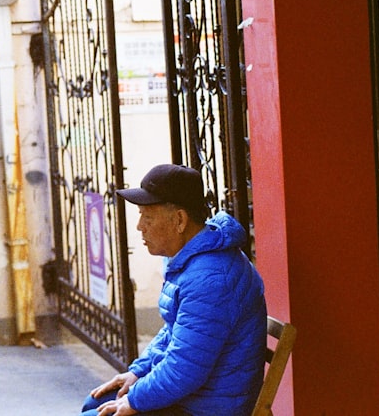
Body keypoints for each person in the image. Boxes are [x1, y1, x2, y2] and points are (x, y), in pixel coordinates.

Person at [81, 164, 267, 416]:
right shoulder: (195, 259)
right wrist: (138, 371)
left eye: (147, 217)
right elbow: (174, 334)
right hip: (195, 395)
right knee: (95, 402)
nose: (139, 227)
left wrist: (134, 400)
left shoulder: (210, 278)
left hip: (208, 407)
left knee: (95, 413)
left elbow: (184, 370)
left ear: (179, 220)